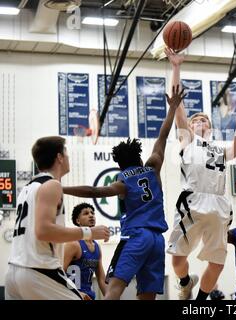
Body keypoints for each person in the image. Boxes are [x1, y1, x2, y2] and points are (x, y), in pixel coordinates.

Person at [63, 86, 185, 300]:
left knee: (113, 289)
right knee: (147, 295)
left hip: (136, 237)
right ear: (139, 157)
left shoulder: (122, 181)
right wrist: (172, 108)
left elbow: (93, 190)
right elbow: (163, 136)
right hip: (158, 240)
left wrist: (61, 188)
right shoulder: (153, 166)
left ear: (119, 166)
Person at [164, 47, 236, 300]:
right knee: (177, 258)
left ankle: (200, 303)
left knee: (217, 261)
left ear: (211, 128)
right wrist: (176, 67)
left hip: (218, 203)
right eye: (196, 121)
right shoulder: (186, 140)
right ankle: (185, 282)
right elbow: (178, 104)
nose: (199, 123)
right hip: (191, 203)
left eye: (204, 121)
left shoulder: (217, 148)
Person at [5, 136, 110, 300]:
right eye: (66, 153)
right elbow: (43, 231)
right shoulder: (52, 185)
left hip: (14, 272)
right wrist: (89, 232)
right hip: (38, 271)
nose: (68, 157)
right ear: (59, 157)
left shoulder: (27, 188)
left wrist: (71, 289)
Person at [64, 203, 107, 300]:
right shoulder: (73, 244)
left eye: (92, 213)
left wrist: (111, 296)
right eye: (86, 213)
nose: (91, 215)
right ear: (78, 221)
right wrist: (77, 293)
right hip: (72, 296)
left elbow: (101, 279)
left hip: (89, 296)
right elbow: (59, 273)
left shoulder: (97, 247)